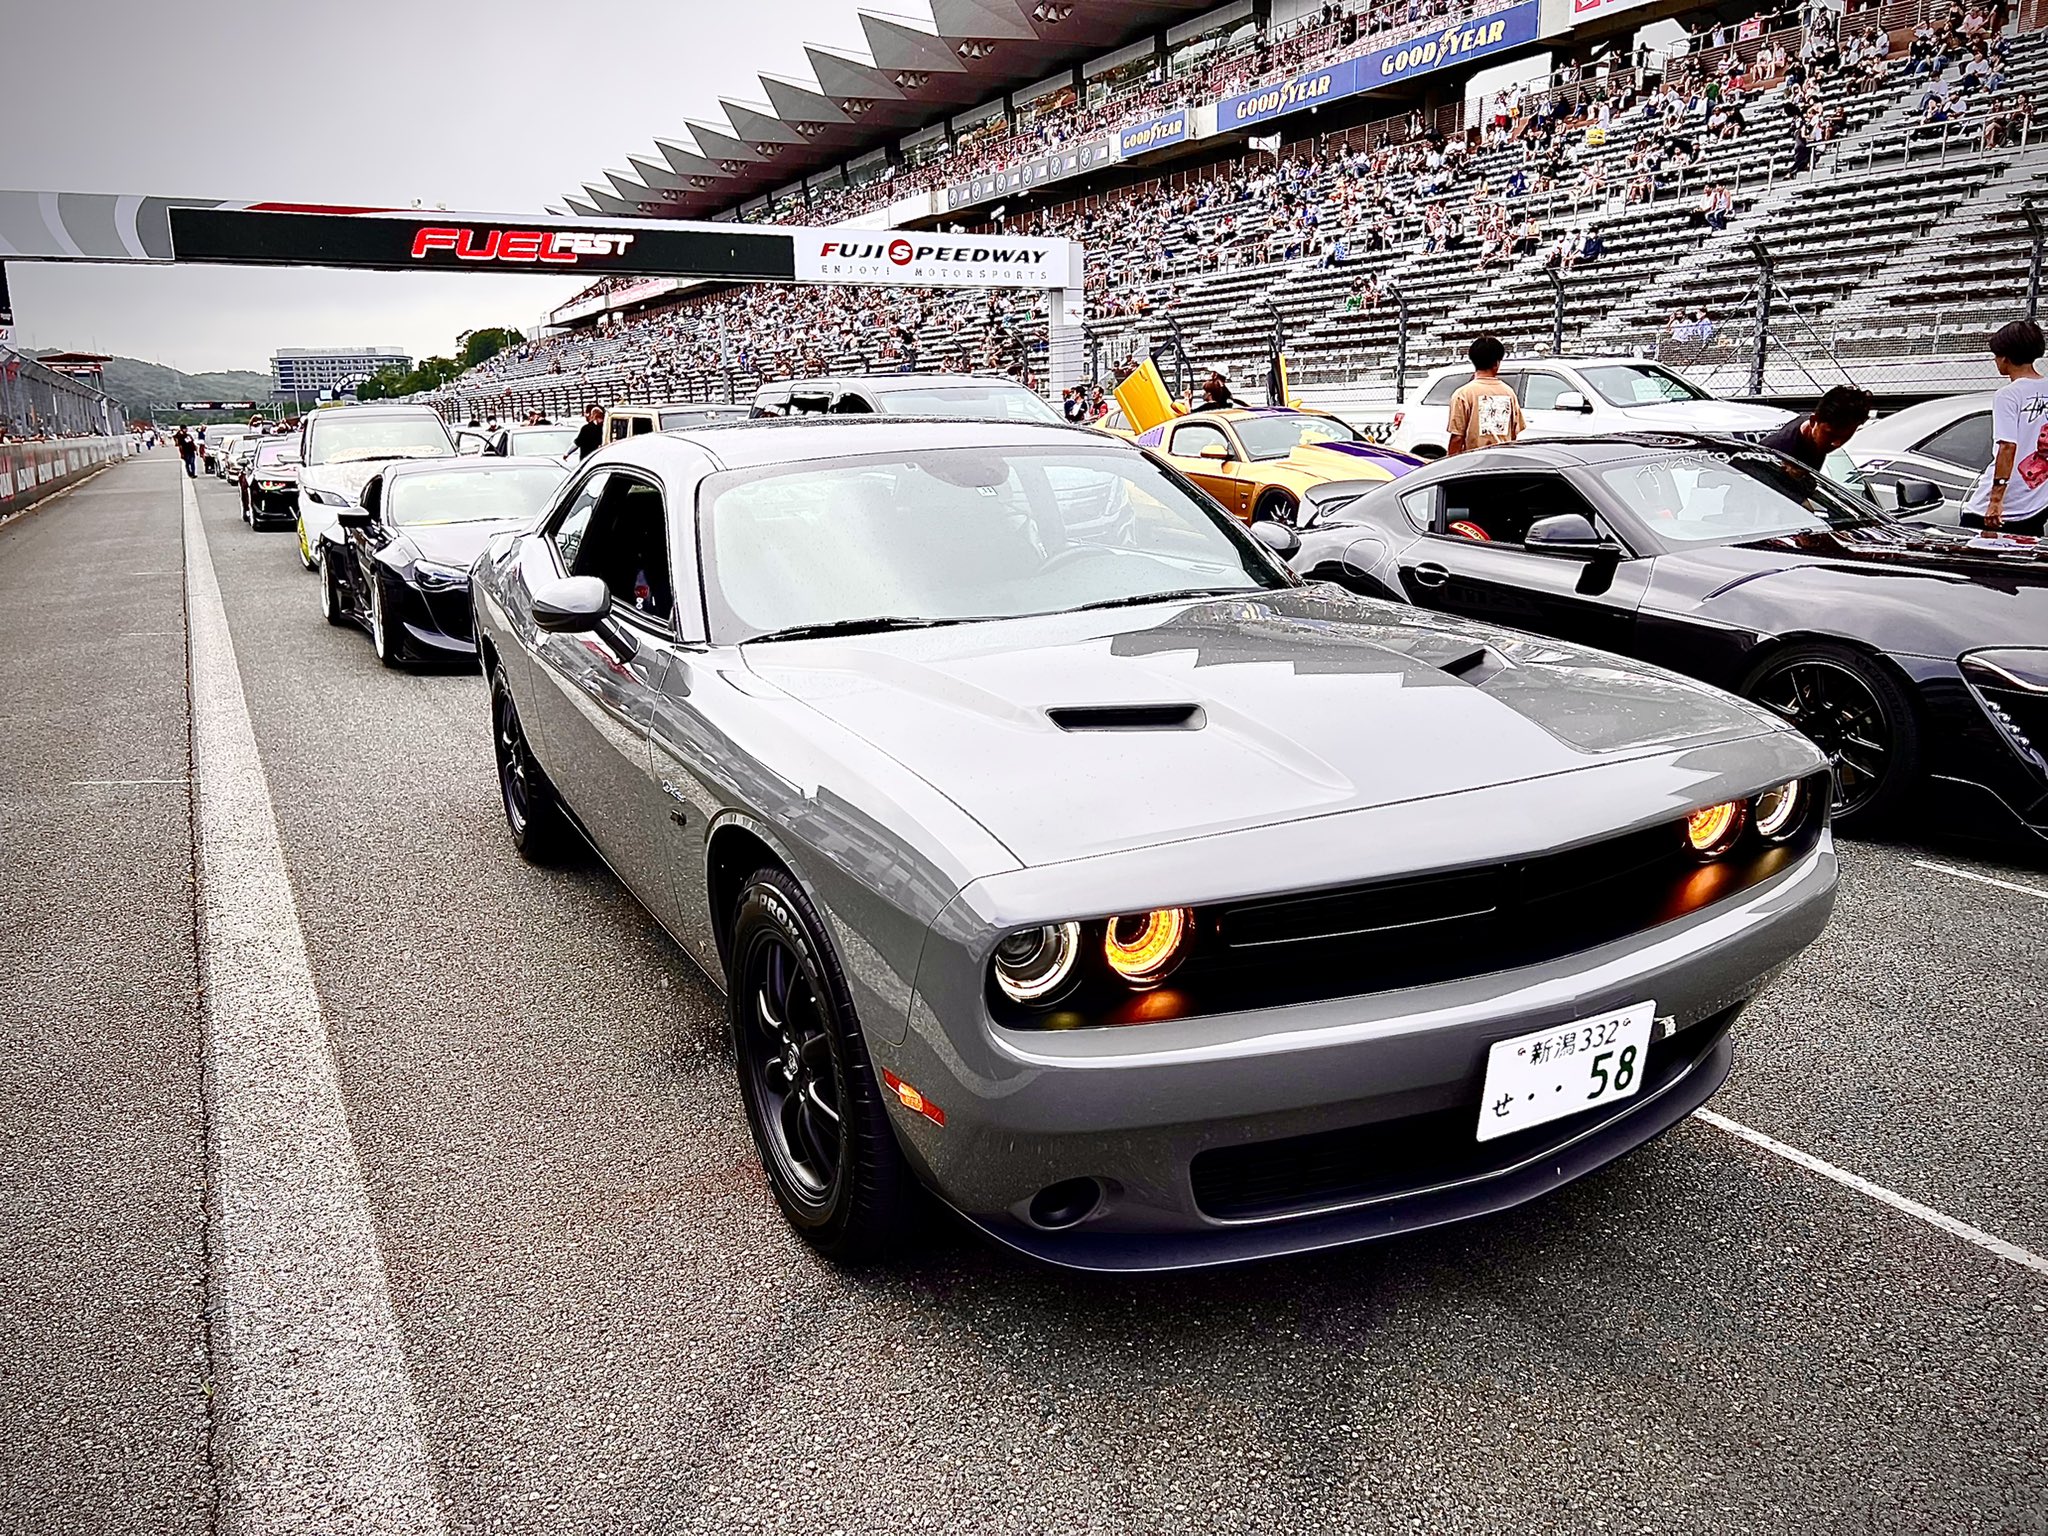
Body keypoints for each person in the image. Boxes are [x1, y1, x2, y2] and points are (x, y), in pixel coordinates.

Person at [1965, 318, 2048, 533]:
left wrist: (1995, 500)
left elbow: (2007, 446)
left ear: (2006, 357)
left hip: (2004, 504)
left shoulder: (2008, 395)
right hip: (2035, 503)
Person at [1760, 385, 1874, 470]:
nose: (1837, 443)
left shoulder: (1817, 436)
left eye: (1846, 436)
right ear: (1813, 421)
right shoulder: (1775, 453)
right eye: (1830, 435)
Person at [1445, 334, 1524, 456]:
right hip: (1501, 461)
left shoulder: (1463, 394)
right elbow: (1514, 433)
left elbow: (1457, 438)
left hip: (1474, 462)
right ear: (1497, 363)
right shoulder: (1509, 393)